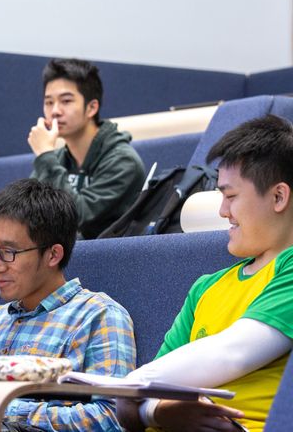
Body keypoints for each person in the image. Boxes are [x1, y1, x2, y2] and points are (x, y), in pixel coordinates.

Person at [116, 115, 293, 432]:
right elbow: (130, 408)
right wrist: (156, 412)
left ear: (279, 196)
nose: (223, 212)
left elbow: (234, 352)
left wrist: (134, 386)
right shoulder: (205, 288)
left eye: (231, 196)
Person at [0, 179, 136, 431]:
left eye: (9, 252)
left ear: (53, 254)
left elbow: (113, 417)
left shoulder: (98, 315)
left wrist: (5, 410)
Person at [0, 58, 146, 239]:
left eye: (66, 101)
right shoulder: (58, 158)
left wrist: (45, 154)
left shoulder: (123, 161)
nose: (55, 111)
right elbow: (26, 213)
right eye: (49, 102)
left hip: (109, 261)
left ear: (91, 108)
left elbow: (74, 217)